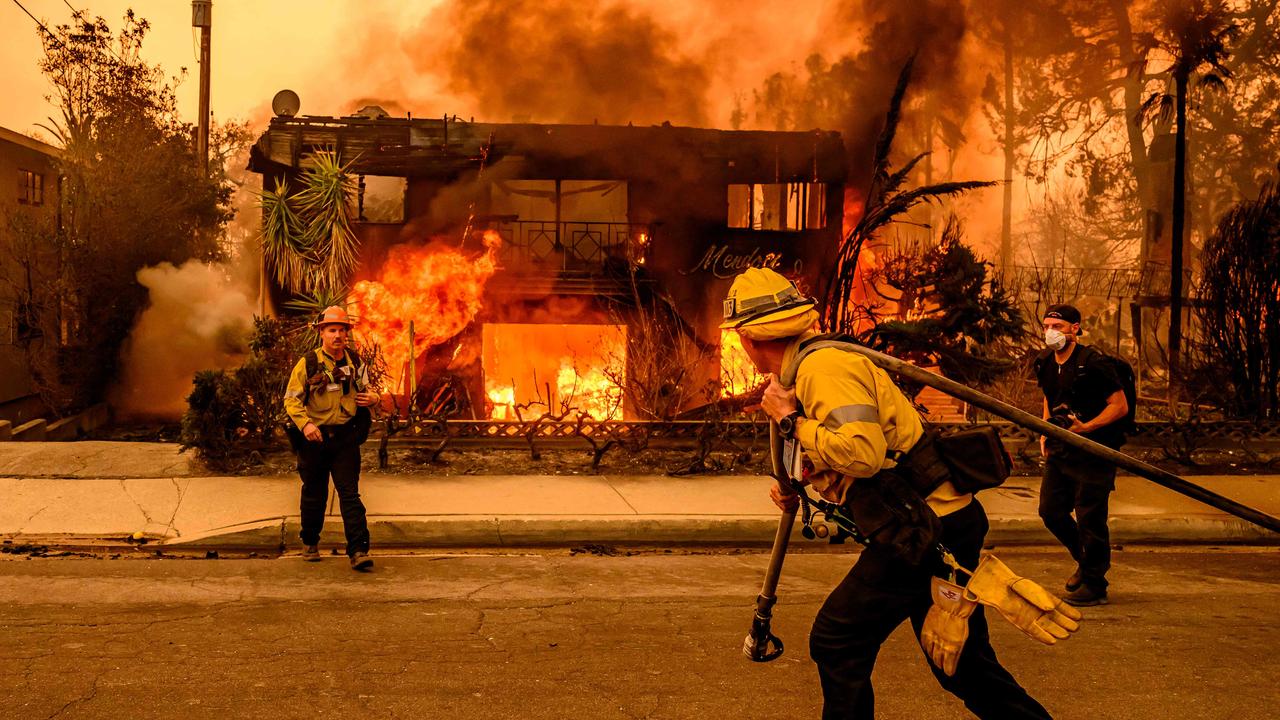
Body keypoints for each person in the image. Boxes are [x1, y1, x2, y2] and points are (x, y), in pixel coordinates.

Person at [722, 267, 1052, 720]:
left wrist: (789, 421)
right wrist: (800, 482)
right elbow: (843, 448)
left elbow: (863, 453)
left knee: (837, 639)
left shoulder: (824, 368)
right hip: (931, 524)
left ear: (748, 337)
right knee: (962, 667)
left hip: (925, 531)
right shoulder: (802, 371)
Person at [1035, 304, 1128, 607]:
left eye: (1058, 327)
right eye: (1047, 326)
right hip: (1061, 449)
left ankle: (1095, 584)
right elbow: (1050, 398)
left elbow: (1119, 405)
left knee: (1090, 516)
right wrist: (1044, 431)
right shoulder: (1045, 361)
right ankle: (1087, 562)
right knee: (1051, 511)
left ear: (1075, 328)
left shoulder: (1094, 363)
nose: (1051, 332)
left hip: (1095, 450)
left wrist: (1086, 428)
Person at [282, 305, 381, 571]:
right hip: (314, 439)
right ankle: (310, 542)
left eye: (342, 330)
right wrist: (305, 425)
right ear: (321, 333)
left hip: (345, 439)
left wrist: (374, 398)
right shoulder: (309, 363)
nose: (338, 335)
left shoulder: (355, 362)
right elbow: (291, 401)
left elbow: (368, 389)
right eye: (332, 330)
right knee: (314, 493)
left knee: (349, 494)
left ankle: (358, 551)